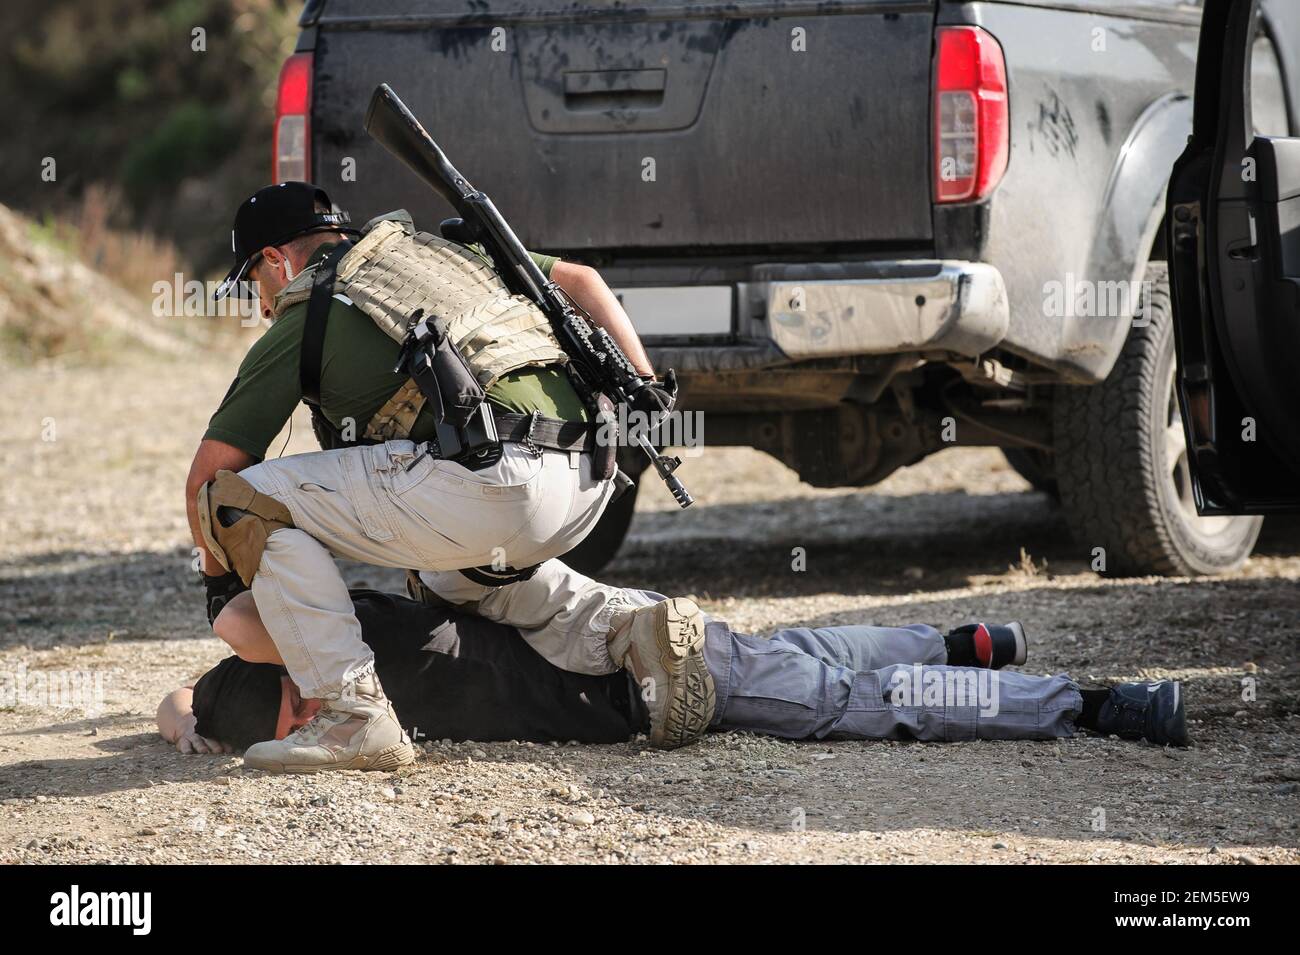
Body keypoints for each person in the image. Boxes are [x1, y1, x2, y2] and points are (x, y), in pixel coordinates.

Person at [184, 182, 698, 774]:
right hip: (589, 478)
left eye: (254, 284)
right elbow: (580, 278)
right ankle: (625, 628)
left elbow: (209, 477)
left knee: (245, 503)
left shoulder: (309, 313)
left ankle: (354, 715)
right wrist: (641, 384)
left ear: (276, 260)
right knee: (442, 575)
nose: (263, 304)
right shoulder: (444, 253)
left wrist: (220, 591)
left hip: (497, 485)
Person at [157, 571, 1188, 758]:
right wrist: (181, 722)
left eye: (296, 703)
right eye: (289, 730)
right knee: (798, 656)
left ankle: (1091, 706)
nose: (310, 722)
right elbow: (181, 693)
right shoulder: (277, 698)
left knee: (848, 705)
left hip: (637, 668)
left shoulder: (362, 628)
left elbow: (236, 624)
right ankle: (965, 642)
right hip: (639, 652)